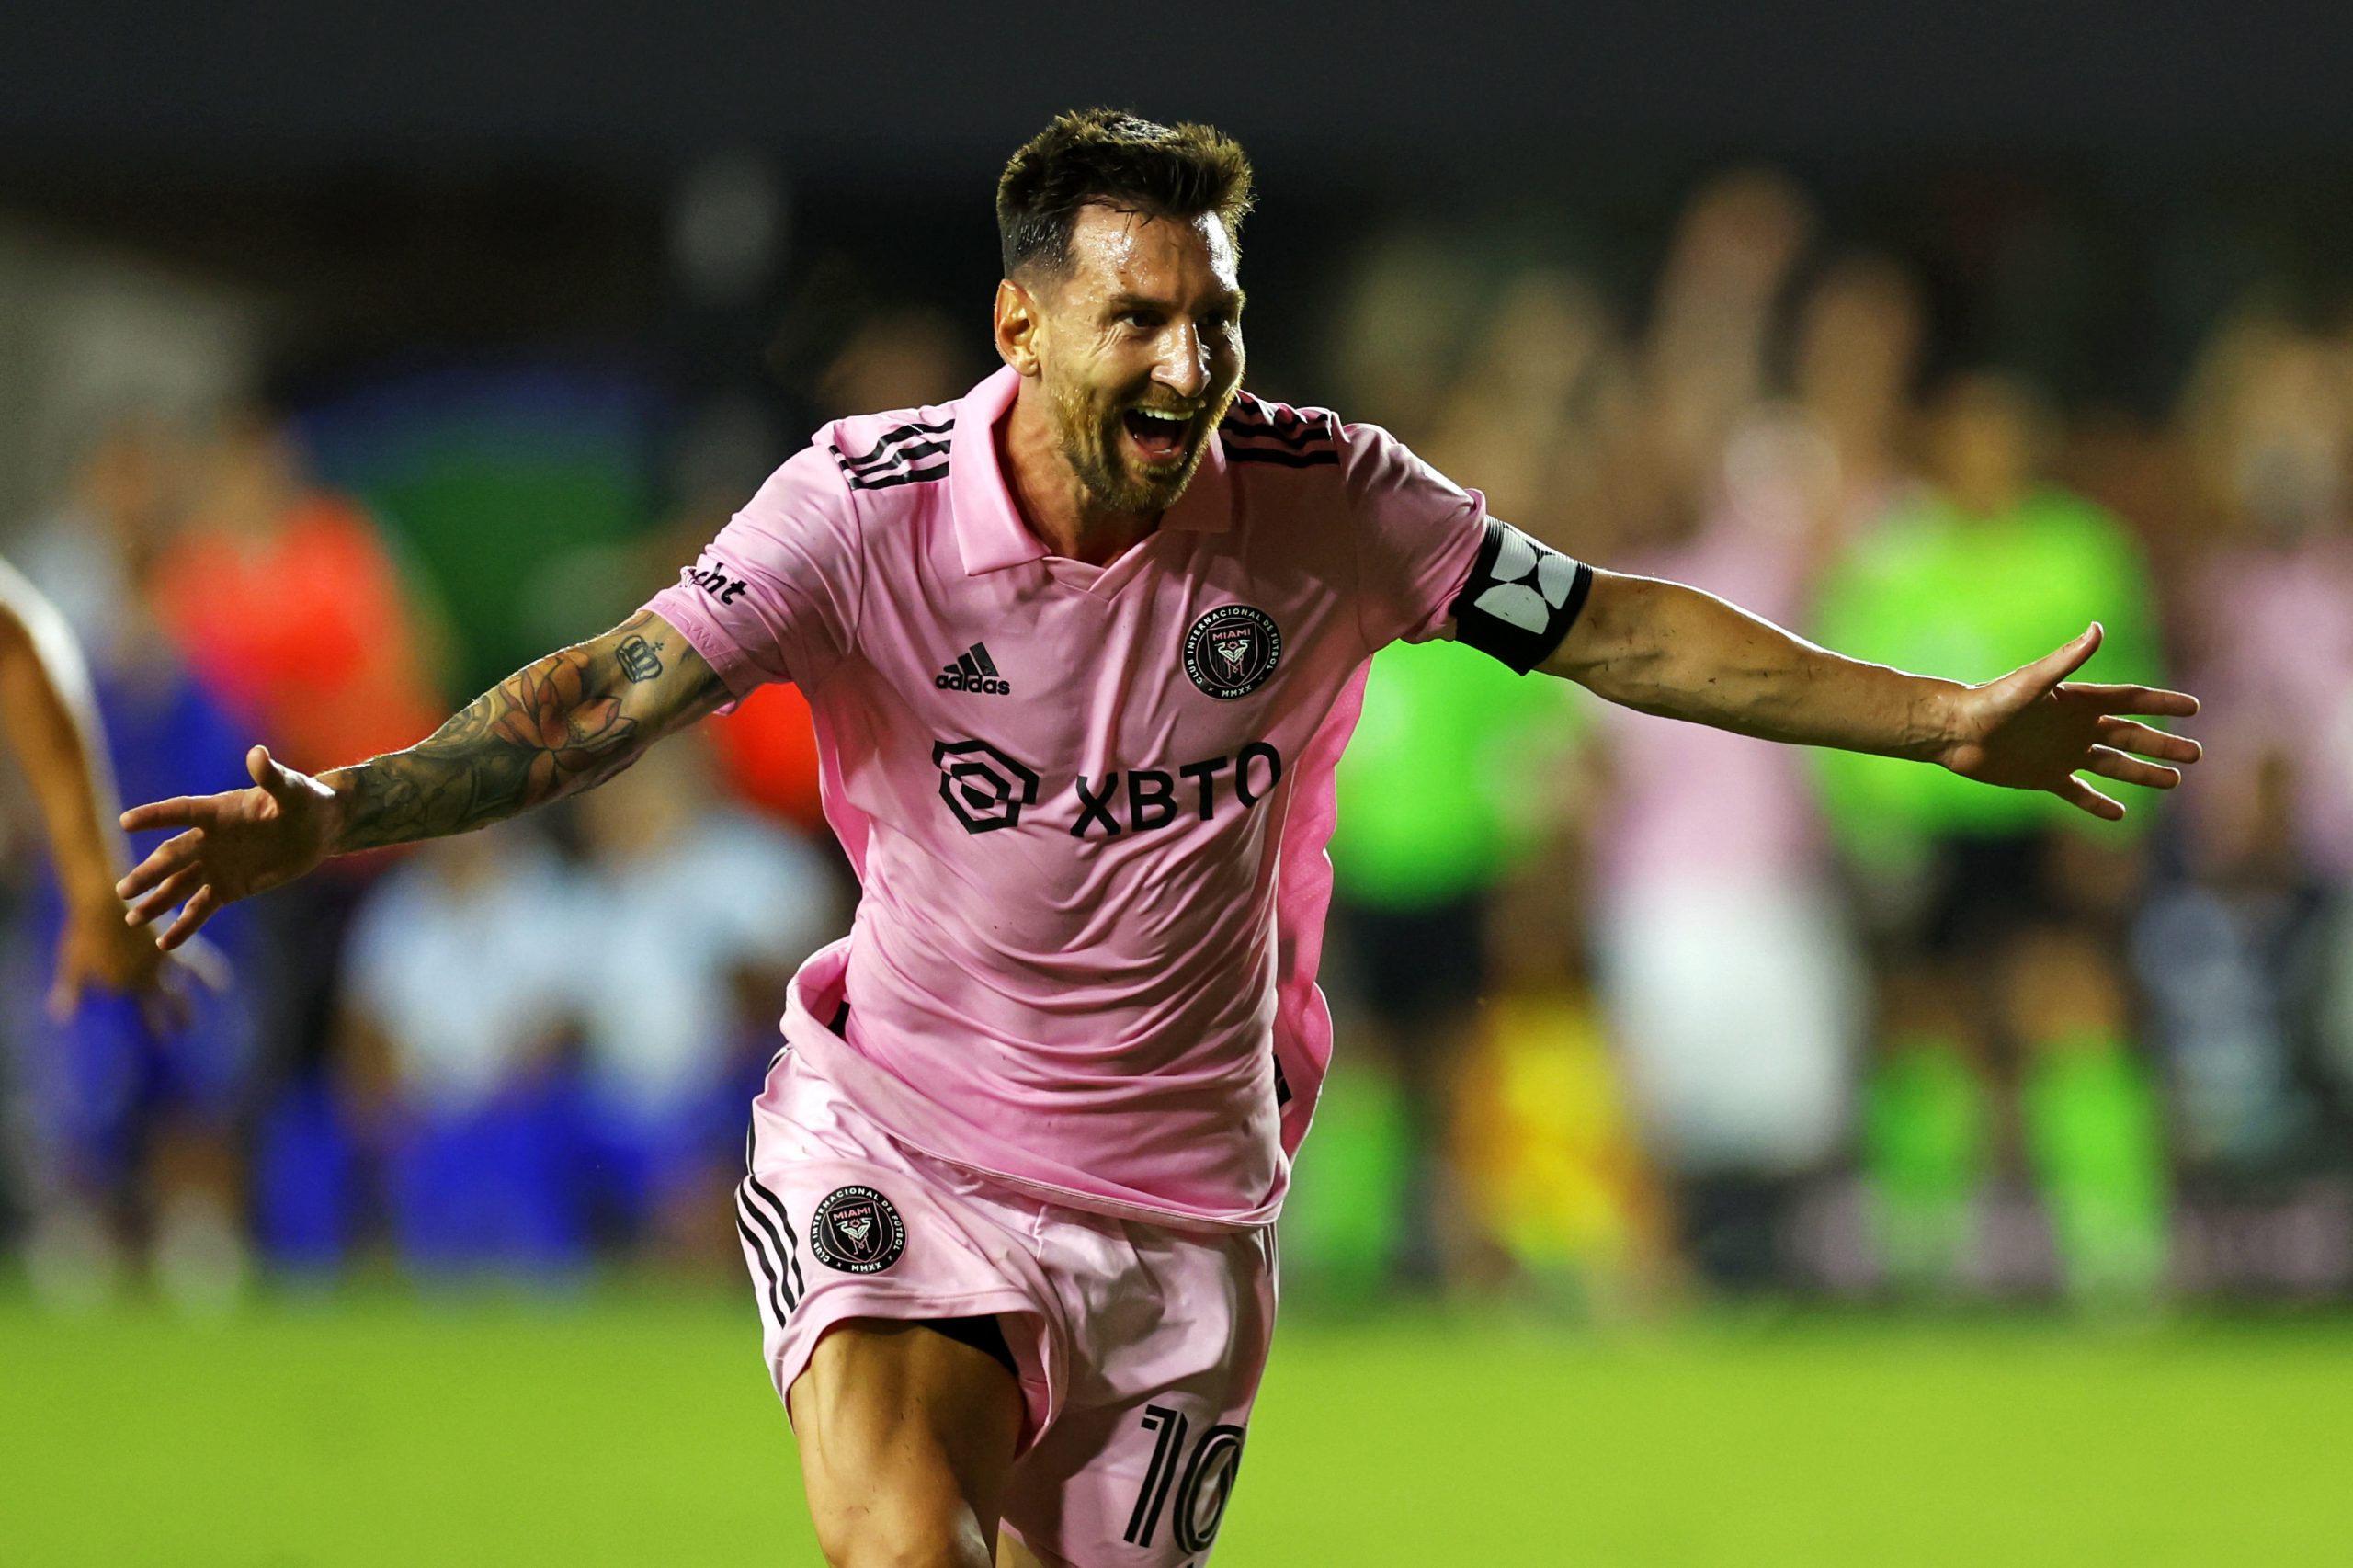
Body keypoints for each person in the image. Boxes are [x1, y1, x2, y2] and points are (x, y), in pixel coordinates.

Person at [115, 111, 2201, 1568]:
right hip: (903, 1136)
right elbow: (604, 695)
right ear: (1022, 325)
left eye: (1213, 318)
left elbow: (1615, 627)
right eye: (1139, 320)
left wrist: (1939, 719)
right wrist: (352, 811)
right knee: (901, 1542)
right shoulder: (856, 508)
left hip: (1183, 1206)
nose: (1191, 365)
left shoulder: (1331, 500)